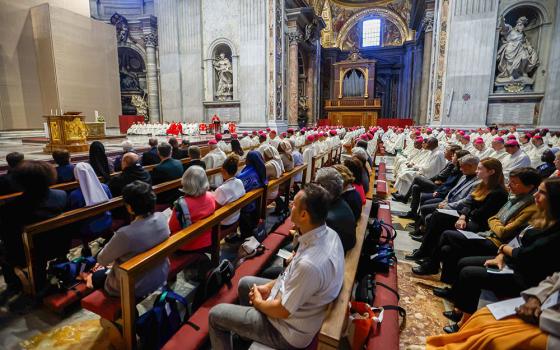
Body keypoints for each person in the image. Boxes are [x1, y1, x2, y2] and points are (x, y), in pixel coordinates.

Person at [208, 184, 344, 349]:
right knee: (245, 283)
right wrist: (269, 286)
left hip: (286, 331)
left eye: (294, 204)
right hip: (295, 308)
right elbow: (291, 273)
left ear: (304, 214)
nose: (289, 205)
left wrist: (259, 302)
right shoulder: (327, 234)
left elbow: (282, 310)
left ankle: (248, 331)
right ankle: (245, 337)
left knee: (215, 315)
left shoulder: (310, 265)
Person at [440, 177, 560, 334]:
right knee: (464, 262)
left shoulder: (555, 231)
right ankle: (459, 309)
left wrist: (504, 249)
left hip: (527, 277)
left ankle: (463, 323)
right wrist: (501, 255)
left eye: (542, 192)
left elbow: (525, 253)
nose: (536, 195)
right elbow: (517, 239)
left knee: (469, 273)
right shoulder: (542, 216)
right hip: (512, 260)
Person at [434, 167, 541, 286]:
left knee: (447, 234)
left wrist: (493, 220)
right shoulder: (514, 197)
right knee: (447, 249)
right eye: (510, 181)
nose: (509, 185)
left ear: (530, 186)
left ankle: (431, 265)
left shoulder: (529, 206)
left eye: (514, 183)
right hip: (489, 234)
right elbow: (481, 210)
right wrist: (492, 220)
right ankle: (448, 283)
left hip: (497, 243)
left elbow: (502, 231)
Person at [412, 158, 508, 275]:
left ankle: (430, 262)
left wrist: (466, 214)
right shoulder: (483, 184)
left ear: (491, 172)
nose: (477, 171)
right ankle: (427, 254)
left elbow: (480, 215)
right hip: (468, 218)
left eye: (480, 169)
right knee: (438, 216)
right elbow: (469, 203)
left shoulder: (499, 193)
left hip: (479, 225)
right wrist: (463, 215)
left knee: (442, 225)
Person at [79, 181, 170, 297]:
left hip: (133, 285)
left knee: (97, 275)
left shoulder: (125, 234)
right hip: (160, 273)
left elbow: (102, 259)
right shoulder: (162, 217)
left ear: (130, 208)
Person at [426, 272, 559, 350]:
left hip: (553, 329)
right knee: (484, 315)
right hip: (543, 308)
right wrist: (535, 298)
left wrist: (542, 315)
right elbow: (554, 279)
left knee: (494, 338)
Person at [0, 161, 67, 303]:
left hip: (29, 253)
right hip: (60, 245)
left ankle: (13, 283)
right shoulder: (61, 195)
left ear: (20, 181)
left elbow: (8, 238)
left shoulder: (11, 208)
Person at [169, 166, 216, 251]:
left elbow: (172, 227)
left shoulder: (181, 204)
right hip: (209, 238)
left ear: (186, 181)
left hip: (188, 244)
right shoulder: (211, 196)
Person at [68, 163, 113, 253]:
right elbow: (111, 203)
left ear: (76, 178)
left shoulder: (74, 195)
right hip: (107, 220)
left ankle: (86, 249)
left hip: (88, 228)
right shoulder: (104, 187)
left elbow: (72, 215)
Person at [315, 167, 357, 252]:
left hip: (338, 255)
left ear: (323, 188)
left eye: (316, 184)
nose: (314, 188)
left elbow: (317, 248)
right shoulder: (340, 201)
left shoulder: (328, 219)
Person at [234, 151, 267, 240]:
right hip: (256, 205)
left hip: (246, 207)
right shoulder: (260, 169)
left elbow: (237, 188)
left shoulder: (245, 175)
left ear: (249, 160)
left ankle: (244, 237)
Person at [213, 155, 246, 230]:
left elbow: (215, 209)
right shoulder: (239, 182)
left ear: (223, 171)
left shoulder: (221, 189)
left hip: (224, 222)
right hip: (236, 217)